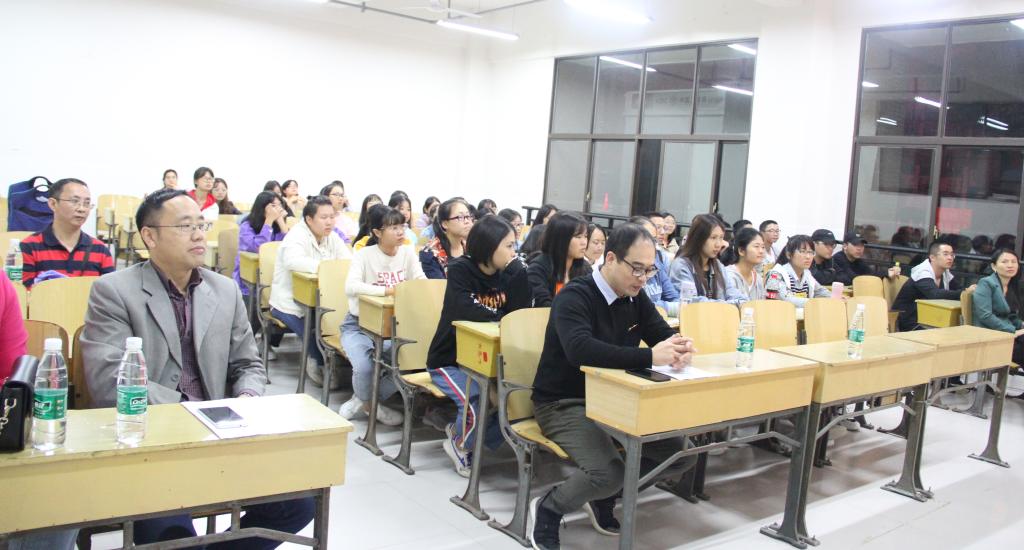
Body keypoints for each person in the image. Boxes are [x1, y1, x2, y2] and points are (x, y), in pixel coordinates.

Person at [81, 189, 311, 548]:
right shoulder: (113, 292)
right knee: (170, 531)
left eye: (201, 225)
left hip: (219, 436)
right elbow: (109, 380)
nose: (198, 234)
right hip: (150, 443)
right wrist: (191, 413)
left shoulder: (224, 290)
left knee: (299, 502)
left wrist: (246, 397)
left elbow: (248, 363)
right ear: (150, 236)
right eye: (184, 226)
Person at [529, 223, 698, 548]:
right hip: (565, 402)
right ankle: (550, 507)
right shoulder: (575, 296)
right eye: (636, 268)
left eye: (649, 270)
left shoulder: (634, 297)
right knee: (608, 473)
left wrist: (679, 345)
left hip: (616, 397)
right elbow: (580, 351)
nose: (643, 278)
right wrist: (651, 356)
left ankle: (603, 496)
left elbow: (661, 333)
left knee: (680, 454)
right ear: (610, 259)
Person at [426, 214, 532, 476]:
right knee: (475, 399)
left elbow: (518, 316)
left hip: (488, 360)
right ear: (489, 246)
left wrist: (520, 276)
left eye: (514, 245)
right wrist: (499, 317)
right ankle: (461, 444)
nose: (514, 251)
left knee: (519, 402)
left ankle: (463, 433)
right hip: (449, 360)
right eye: (508, 245)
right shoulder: (461, 269)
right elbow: (464, 307)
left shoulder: (509, 272)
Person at [339, 205, 425, 424]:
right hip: (359, 325)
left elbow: (420, 282)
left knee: (412, 362)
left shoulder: (407, 252)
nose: (401, 232)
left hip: (395, 326)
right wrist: (388, 291)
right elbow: (351, 287)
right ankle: (371, 405)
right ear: (377, 232)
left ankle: (364, 401)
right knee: (365, 367)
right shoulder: (364, 255)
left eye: (402, 226)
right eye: (394, 228)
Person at [269, 197, 352, 389]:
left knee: (337, 322)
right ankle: (317, 360)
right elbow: (293, 261)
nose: (329, 222)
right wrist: (327, 267)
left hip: (321, 299)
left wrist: (332, 268)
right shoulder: (296, 236)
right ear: (309, 219)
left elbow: (348, 261)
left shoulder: (331, 236)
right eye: (324, 217)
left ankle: (332, 360)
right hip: (288, 302)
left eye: (332, 217)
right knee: (309, 329)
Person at [19, 178, 114, 289]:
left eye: (87, 203)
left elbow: (109, 292)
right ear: (53, 204)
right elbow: (24, 292)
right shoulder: (29, 247)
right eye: (74, 201)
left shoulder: (100, 250)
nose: (82, 209)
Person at [892, 241, 972, 331]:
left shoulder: (945, 273)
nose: (950, 258)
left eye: (952, 255)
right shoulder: (922, 272)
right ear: (932, 257)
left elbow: (958, 288)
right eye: (945, 254)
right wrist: (964, 292)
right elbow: (935, 294)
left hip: (928, 319)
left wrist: (968, 290)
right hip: (909, 321)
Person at [668, 214, 744, 307]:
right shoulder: (682, 265)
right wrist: (728, 305)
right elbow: (691, 301)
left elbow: (733, 293)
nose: (718, 244)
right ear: (698, 238)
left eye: (721, 238)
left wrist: (740, 302)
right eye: (713, 238)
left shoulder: (718, 265)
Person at [526, 212, 591, 307]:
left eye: (585, 236)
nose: (584, 242)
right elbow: (542, 304)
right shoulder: (538, 269)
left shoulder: (585, 268)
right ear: (561, 238)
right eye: (578, 237)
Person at [973, 249, 1024, 367]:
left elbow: (1011, 316)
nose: (1010, 265)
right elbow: (985, 316)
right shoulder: (986, 283)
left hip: (1008, 335)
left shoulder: (1012, 285)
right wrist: (1013, 331)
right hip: (990, 335)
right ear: (993, 266)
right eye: (1004, 262)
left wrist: (1021, 325)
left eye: (1013, 262)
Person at [233, 191, 289, 297]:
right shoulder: (247, 226)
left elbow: (288, 246)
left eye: (280, 205)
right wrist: (269, 220)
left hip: (274, 275)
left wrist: (281, 221)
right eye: (273, 206)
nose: (278, 209)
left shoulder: (277, 227)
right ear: (262, 208)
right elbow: (258, 248)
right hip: (249, 277)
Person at [626, 216, 681, 315]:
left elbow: (675, 298)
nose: (652, 245)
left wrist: (659, 306)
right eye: (647, 240)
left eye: (654, 240)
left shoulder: (657, 263)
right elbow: (638, 308)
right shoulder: (626, 268)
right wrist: (663, 307)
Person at [767, 235, 831, 309]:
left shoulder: (807, 274)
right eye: (802, 252)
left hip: (805, 315)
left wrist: (835, 299)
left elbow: (820, 291)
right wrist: (814, 303)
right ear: (788, 254)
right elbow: (786, 299)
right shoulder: (776, 274)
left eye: (811, 252)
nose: (808, 257)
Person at [420, 198, 473, 279]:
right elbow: (438, 285)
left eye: (468, 216)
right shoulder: (430, 253)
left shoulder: (471, 247)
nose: (467, 221)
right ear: (445, 224)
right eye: (460, 217)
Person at [832, 231, 901, 285]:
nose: (859, 248)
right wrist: (886, 273)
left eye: (862, 245)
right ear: (845, 246)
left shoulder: (858, 261)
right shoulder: (838, 258)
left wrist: (888, 272)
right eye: (855, 244)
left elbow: (871, 274)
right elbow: (855, 278)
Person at [725, 227, 768, 301]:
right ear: (741, 251)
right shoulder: (728, 275)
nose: (761, 251)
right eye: (756, 246)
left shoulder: (757, 278)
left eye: (763, 247)